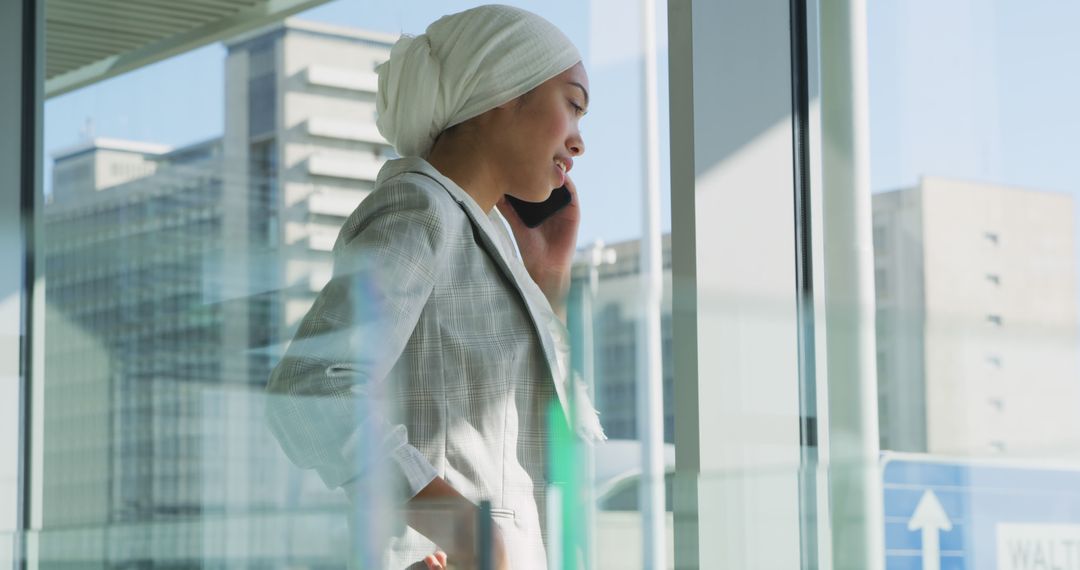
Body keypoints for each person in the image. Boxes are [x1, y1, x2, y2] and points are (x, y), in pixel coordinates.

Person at [265, 5, 604, 569]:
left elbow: (529, 437)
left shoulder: (479, 234)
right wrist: (464, 529)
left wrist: (545, 279)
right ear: (505, 88)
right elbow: (309, 390)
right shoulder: (420, 210)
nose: (579, 142)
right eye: (572, 106)